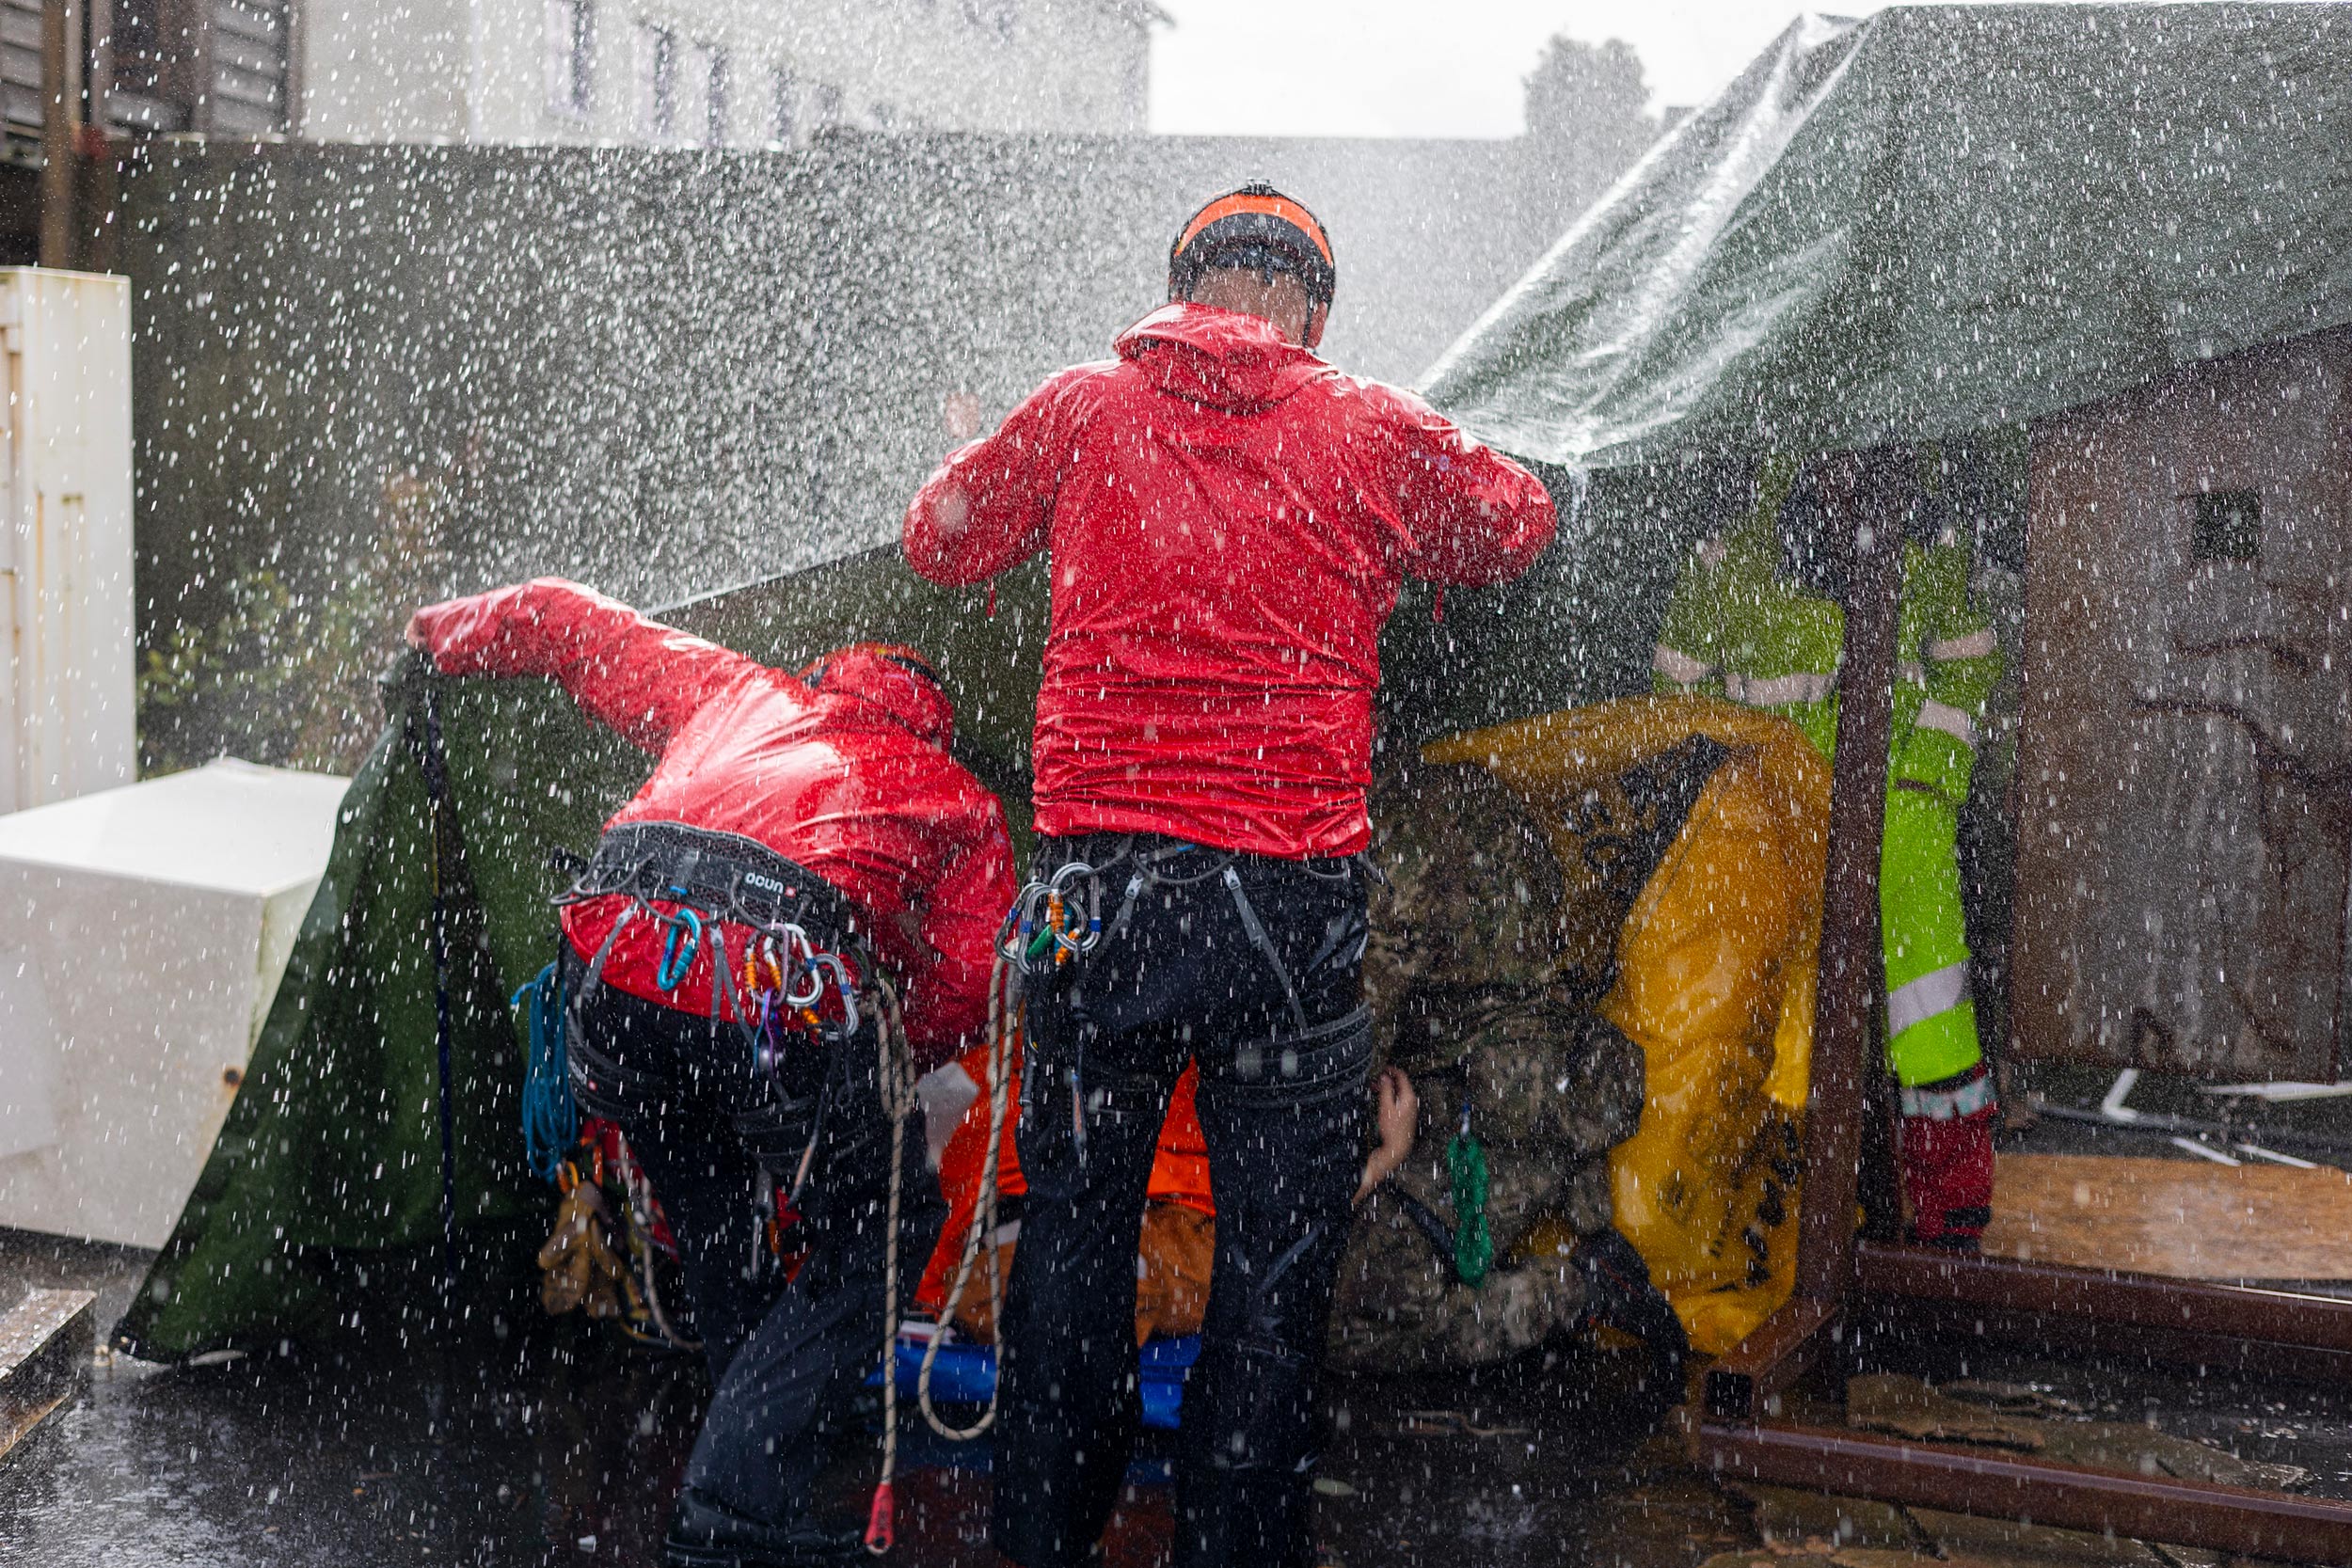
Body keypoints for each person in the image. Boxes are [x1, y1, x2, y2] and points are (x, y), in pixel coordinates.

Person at [901, 182, 1558, 1567]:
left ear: (1183, 289)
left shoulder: (1083, 407)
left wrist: (983, 458)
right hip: (1284, 907)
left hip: (1101, 902)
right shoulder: (1369, 426)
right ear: (1310, 310)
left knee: (1075, 1256)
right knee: (1271, 1284)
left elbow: (937, 540)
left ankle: (1039, 1541)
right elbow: (1516, 524)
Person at [405, 579, 1015, 1568]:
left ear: (830, 678)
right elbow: (971, 975)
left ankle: (745, 1474)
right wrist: (896, 1039)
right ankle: (730, 1504)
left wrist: (438, 632)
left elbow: (570, 623)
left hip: (610, 962)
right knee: (885, 1224)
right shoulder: (954, 794)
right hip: (778, 982)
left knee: (719, 1216)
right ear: (936, 728)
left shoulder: (740, 692)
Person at [1651, 453, 2005, 1248]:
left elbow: (1972, 665)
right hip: (1777, 832)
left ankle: (1946, 1215)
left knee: (1929, 1015)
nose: (1847, 473)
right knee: (1778, 1022)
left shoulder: (1930, 540)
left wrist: (1922, 791)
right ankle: (1794, 1225)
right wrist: (1753, 789)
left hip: (1903, 830)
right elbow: (1677, 692)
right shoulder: (1739, 545)